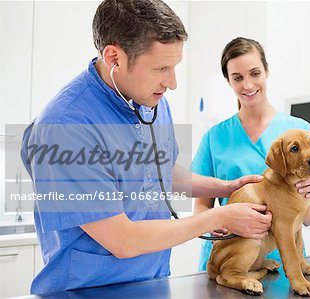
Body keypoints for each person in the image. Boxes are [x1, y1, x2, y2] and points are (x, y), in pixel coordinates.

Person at [20, 1, 273, 295]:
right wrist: (219, 216)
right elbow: (122, 239)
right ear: (114, 57)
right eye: (161, 68)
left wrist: (226, 187)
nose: (173, 82)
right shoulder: (65, 128)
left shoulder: (151, 101)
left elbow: (159, 170)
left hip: (152, 281)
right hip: (87, 290)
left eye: (174, 66)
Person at [191, 37, 310, 271]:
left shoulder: (302, 132)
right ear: (229, 81)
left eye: (255, 73)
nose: (248, 85)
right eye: (237, 77)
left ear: (266, 71)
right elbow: (202, 206)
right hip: (232, 250)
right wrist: (213, 223)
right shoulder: (214, 137)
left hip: (282, 260)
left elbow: (309, 218)